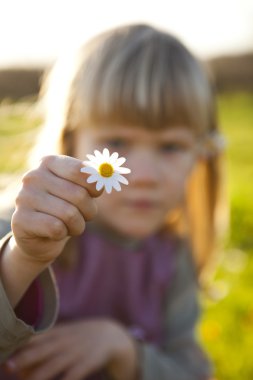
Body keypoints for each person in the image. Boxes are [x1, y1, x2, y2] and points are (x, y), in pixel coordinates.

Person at [0, 23, 225, 380]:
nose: (144, 175)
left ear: (200, 154)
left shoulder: (169, 257)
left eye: (171, 146)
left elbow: (193, 372)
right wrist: (23, 259)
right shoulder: (18, 230)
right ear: (69, 142)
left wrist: (125, 351)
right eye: (117, 142)